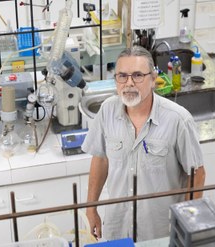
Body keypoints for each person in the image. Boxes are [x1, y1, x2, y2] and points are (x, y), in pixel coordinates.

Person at [81, 46, 205, 242]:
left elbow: (197, 174)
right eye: (122, 76)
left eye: (138, 75)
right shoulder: (107, 111)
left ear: (153, 79)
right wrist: (91, 208)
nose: (129, 83)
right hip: (118, 225)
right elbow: (100, 160)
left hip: (160, 230)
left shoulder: (178, 120)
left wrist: (187, 222)